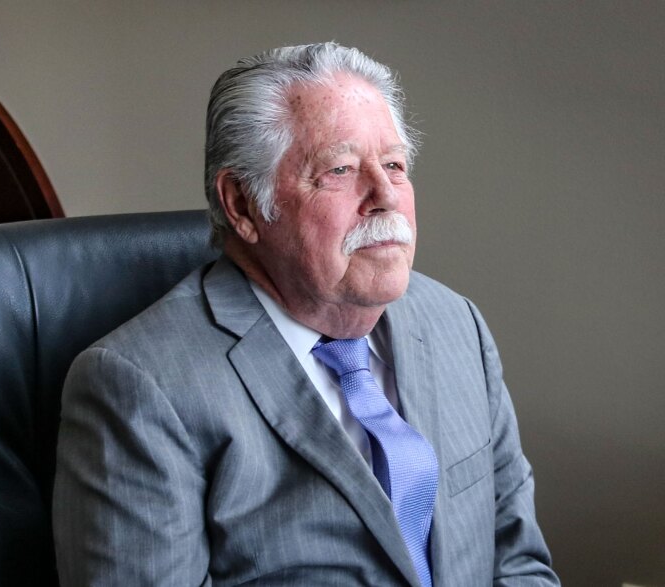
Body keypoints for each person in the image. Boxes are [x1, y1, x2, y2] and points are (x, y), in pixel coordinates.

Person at [53, 42, 559, 586]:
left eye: (394, 164)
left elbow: (518, 563)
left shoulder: (456, 323)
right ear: (244, 205)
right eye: (340, 170)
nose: (386, 194)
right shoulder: (138, 386)